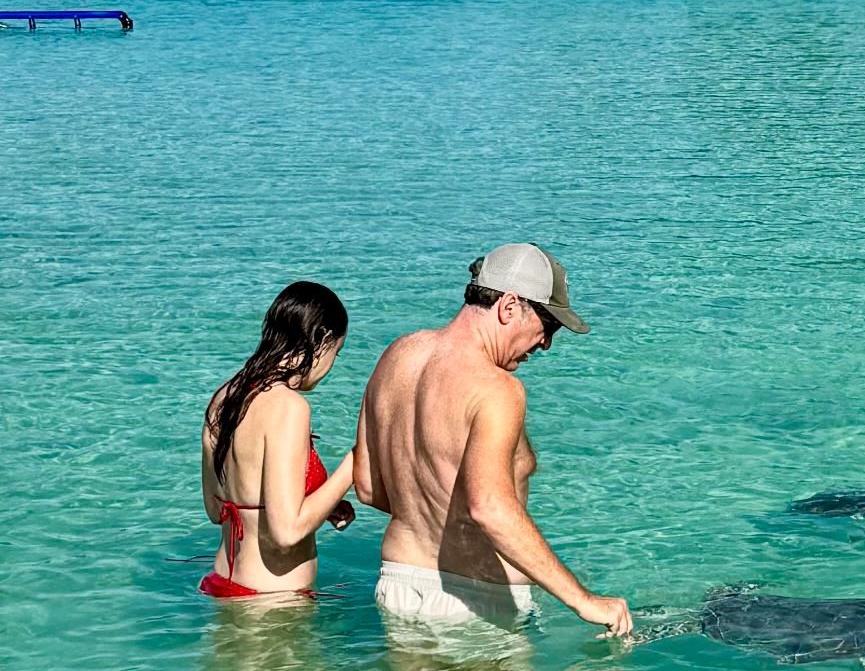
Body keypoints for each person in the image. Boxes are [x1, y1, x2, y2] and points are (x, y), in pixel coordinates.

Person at [354, 243, 632, 636]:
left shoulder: (397, 355)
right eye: (548, 325)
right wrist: (582, 600)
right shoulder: (497, 389)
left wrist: (429, 511)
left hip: (399, 586)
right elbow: (489, 507)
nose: (546, 343)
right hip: (476, 603)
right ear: (509, 306)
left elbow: (368, 487)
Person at [201, 283, 358, 599]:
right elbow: (286, 532)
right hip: (273, 599)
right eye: (336, 352)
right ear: (322, 340)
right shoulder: (288, 407)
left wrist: (322, 504)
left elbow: (216, 510)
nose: (331, 365)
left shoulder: (226, 396)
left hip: (222, 583)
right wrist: (355, 463)